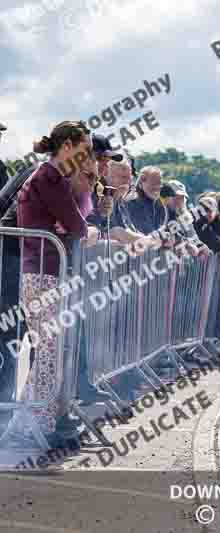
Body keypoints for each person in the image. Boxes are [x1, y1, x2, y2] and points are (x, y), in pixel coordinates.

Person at [1, 121, 95, 449]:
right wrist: (82, 230)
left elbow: (73, 221)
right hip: (41, 273)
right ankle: (32, 426)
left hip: (45, 273)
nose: (88, 155)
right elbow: (76, 224)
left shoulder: (52, 176)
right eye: (84, 147)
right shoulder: (49, 176)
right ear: (68, 145)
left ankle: (27, 425)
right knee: (48, 353)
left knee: (49, 353)